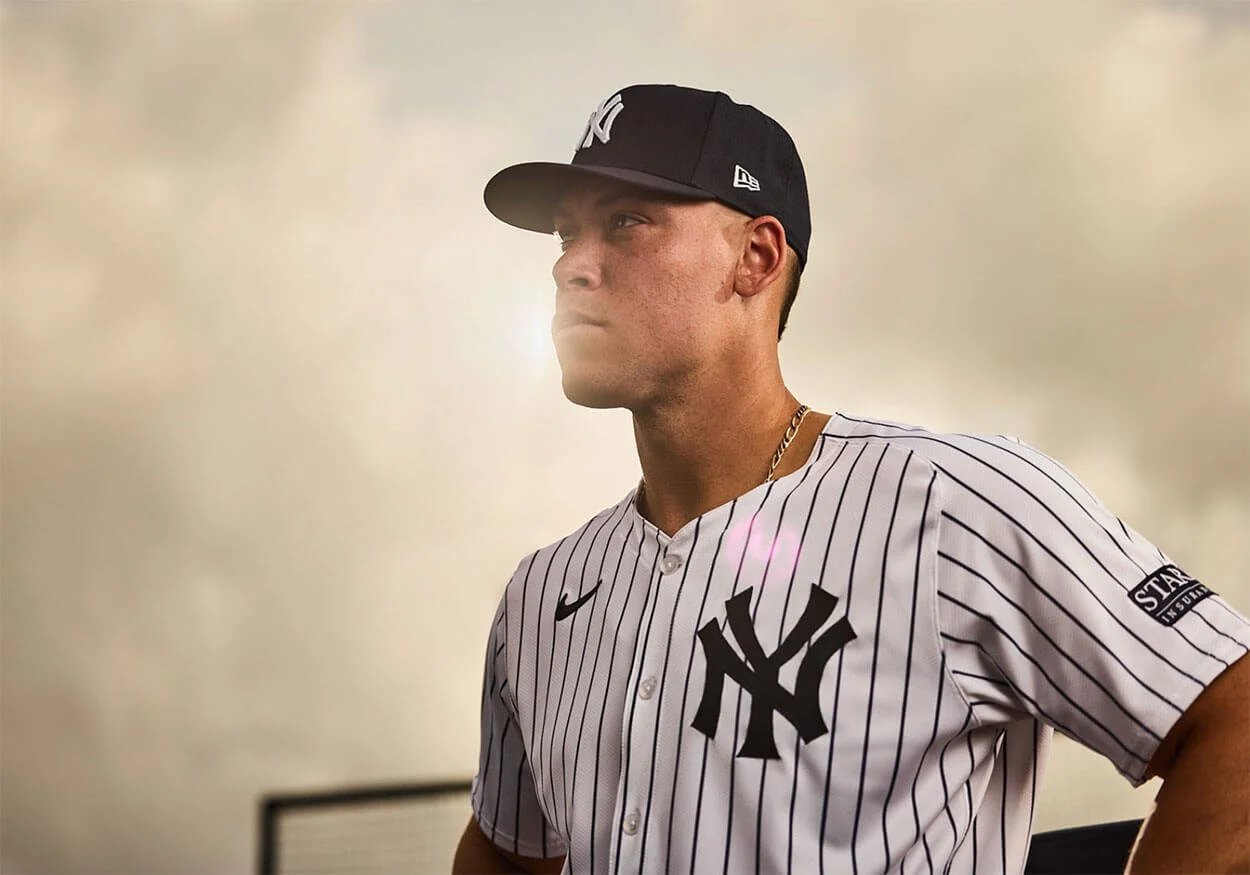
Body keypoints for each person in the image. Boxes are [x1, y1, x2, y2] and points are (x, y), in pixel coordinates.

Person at [452, 84, 1250, 874]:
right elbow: (507, 851)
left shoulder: (956, 503)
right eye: (565, 232)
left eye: (625, 222)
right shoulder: (542, 592)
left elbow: (1236, 721)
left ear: (755, 257)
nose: (570, 266)